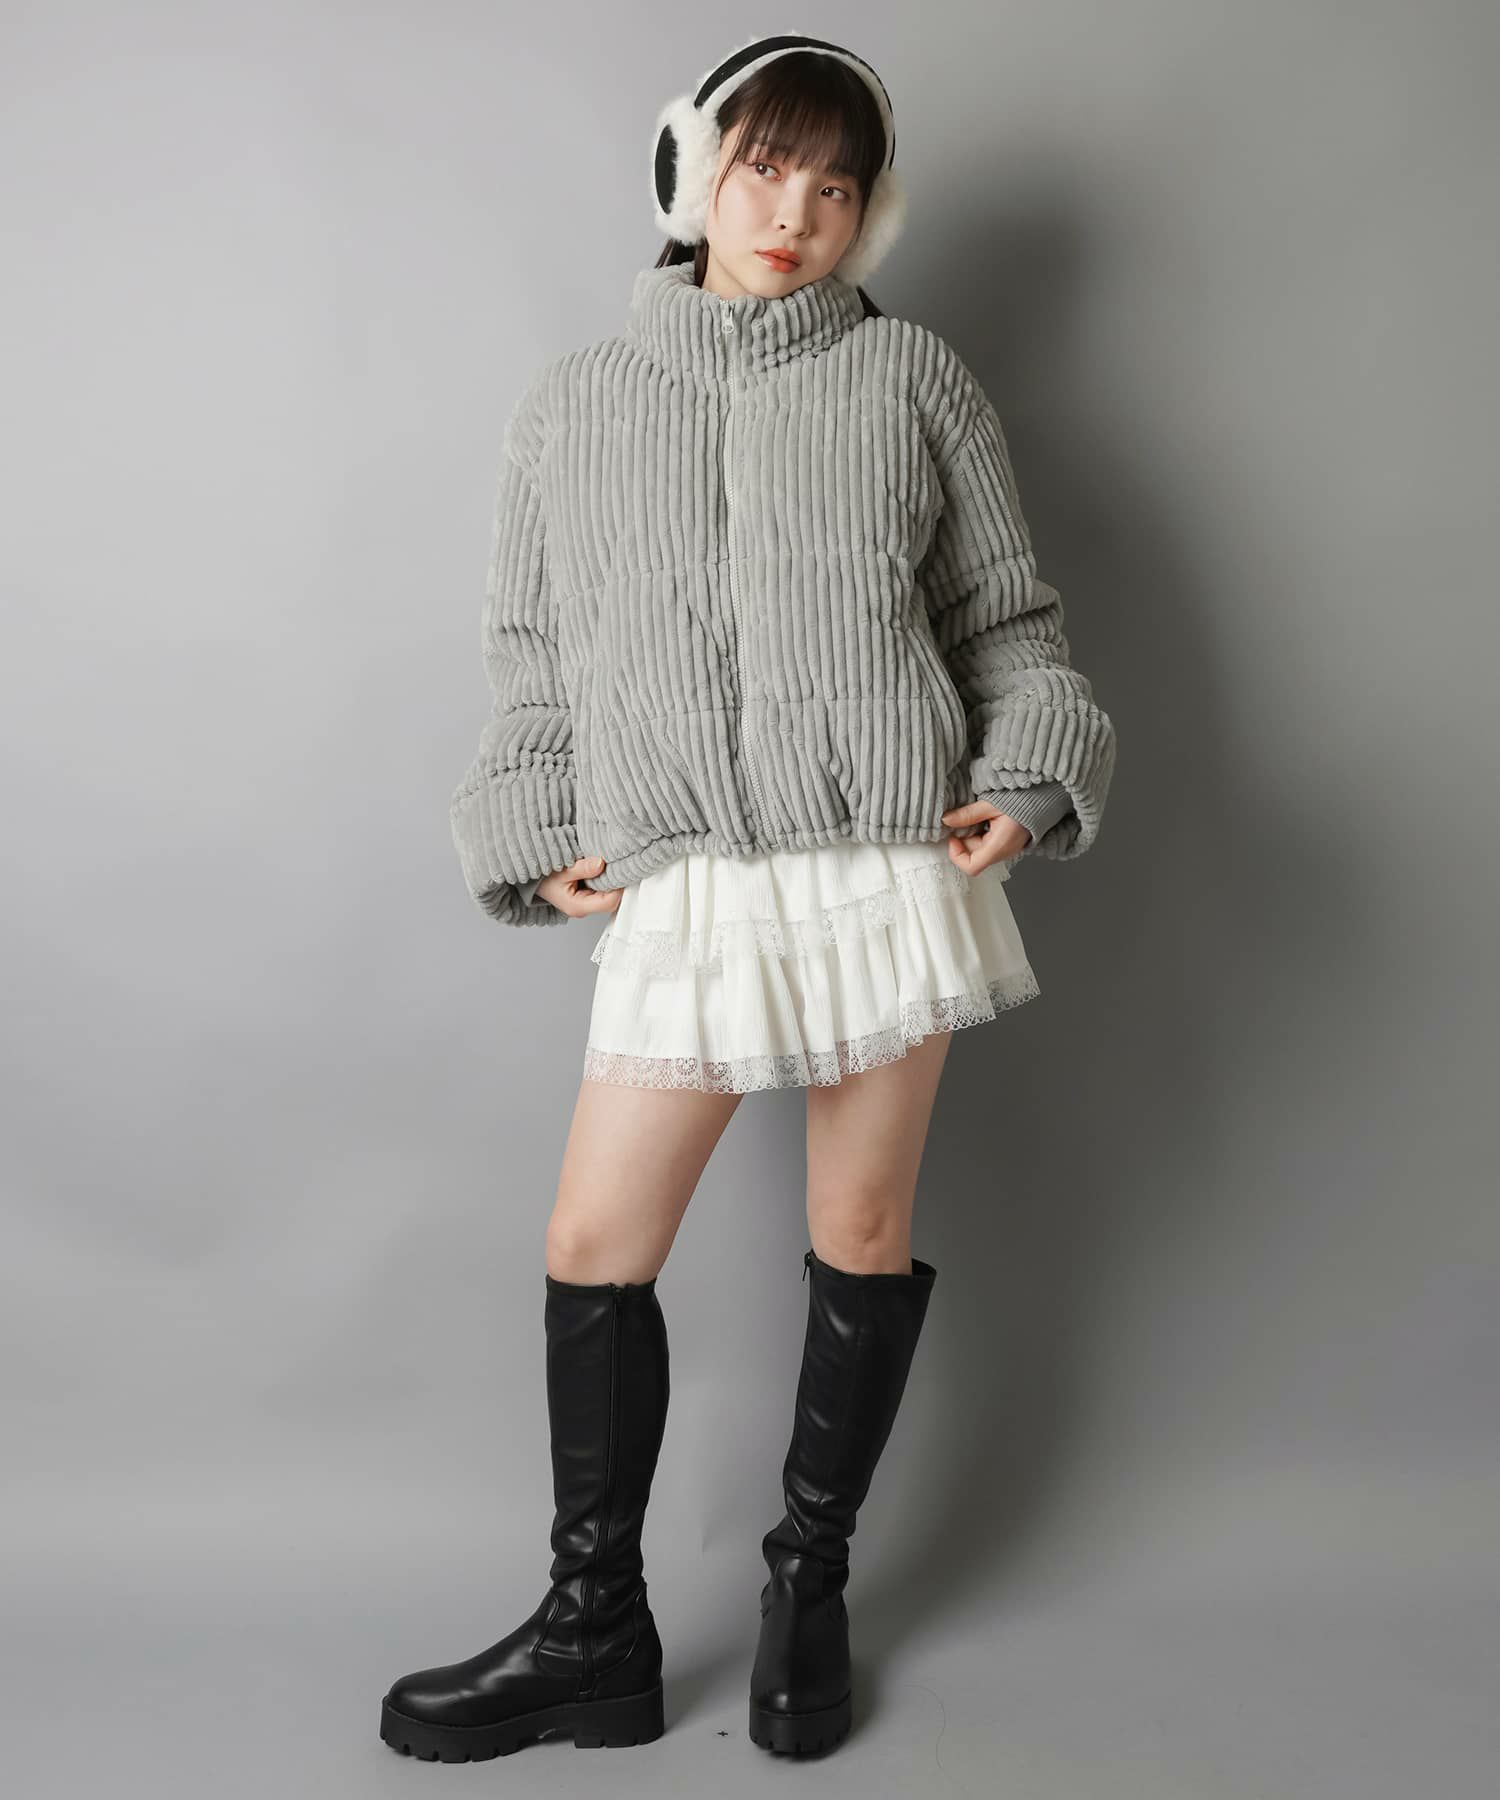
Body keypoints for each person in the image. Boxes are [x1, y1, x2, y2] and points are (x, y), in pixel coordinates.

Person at [380, 32, 1117, 1764]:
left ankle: (810, 1582)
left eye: (838, 187)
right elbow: (537, 655)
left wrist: (1025, 779)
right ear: (691, 171)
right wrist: (535, 819)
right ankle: (594, 1630)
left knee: (858, 1230)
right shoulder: (575, 405)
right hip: (694, 876)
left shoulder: (914, 379)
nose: (796, 213)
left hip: (880, 865)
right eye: (766, 168)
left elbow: (1008, 622)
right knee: (593, 1245)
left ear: (872, 214)